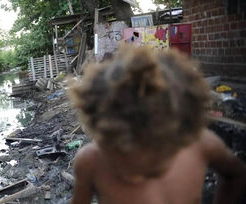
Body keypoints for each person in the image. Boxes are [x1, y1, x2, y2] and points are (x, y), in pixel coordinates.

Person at [69, 44, 246, 204]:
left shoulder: (200, 144)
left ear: (179, 134)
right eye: (123, 156)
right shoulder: (90, 162)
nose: (137, 176)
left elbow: (235, 174)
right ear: (101, 135)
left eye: (157, 157)